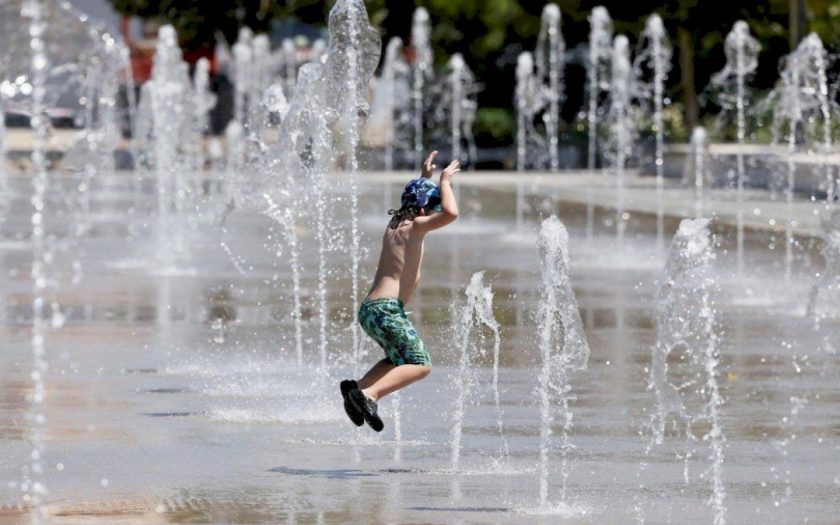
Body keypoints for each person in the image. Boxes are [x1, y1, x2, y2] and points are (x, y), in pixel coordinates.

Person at [340, 151, 460, 432]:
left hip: (371, 309)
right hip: (387, 310)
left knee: (397, 358)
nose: (432, 215)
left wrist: (424, 178)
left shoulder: (394, 225)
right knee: (420, 364)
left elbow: (416, 201)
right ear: (423, 211)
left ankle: (357, 389)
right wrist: (444, 181)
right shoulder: (416, 226)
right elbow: (452, 213)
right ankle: (370, 395)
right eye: (431, 210)